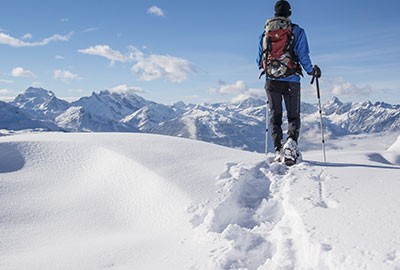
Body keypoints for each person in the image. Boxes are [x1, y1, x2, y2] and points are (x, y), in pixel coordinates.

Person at [257, 0, 321, 165]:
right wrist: (311, 70)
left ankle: (278, 149)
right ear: (289, 13)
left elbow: (259, 59)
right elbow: (303, 55)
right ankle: (290, 145)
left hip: (271, 81)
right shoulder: (297, 31)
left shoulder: (265, 33)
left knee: (275, 116)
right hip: (291, 80)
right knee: (293, 116)